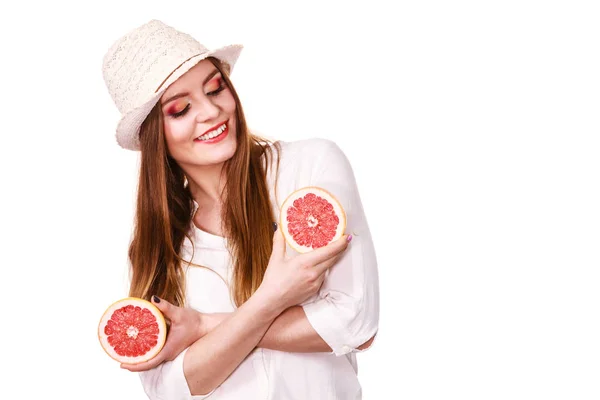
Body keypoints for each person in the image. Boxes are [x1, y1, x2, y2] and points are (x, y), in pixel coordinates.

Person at [102, 19, 379, 400]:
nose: (211, 111)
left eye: (216, 88)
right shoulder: (158, 249)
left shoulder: (308, 168)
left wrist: (204, 327)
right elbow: (174, 390)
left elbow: (356, 323)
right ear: (155, 137)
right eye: (181, 109)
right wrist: (273, 297)